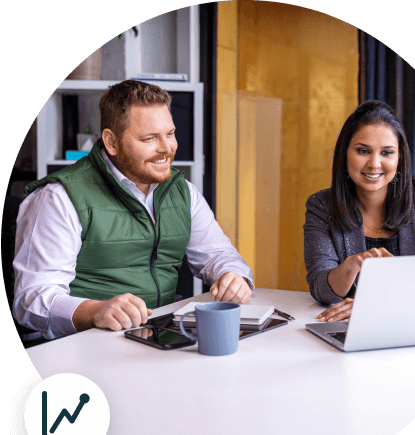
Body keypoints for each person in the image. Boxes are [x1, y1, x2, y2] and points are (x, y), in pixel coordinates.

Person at [13, 80, 253, 339]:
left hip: (159, 338)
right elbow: (31, 300)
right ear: (111, 142)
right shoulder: (58, 198)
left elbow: (218, 254)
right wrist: (96, 311)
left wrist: (233, 276)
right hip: (85, 346)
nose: (166, 149)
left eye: (170, 134)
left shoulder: (183, 192)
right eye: (149, 138)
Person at [303, 100, 415, 323]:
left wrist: (375, 306)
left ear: (399, 158)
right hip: (348, 327)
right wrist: (353, 264)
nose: (374, 164)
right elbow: (320, 289)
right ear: (345, 154)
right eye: (363, 151)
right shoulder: (321, 205)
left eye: (387, 152)